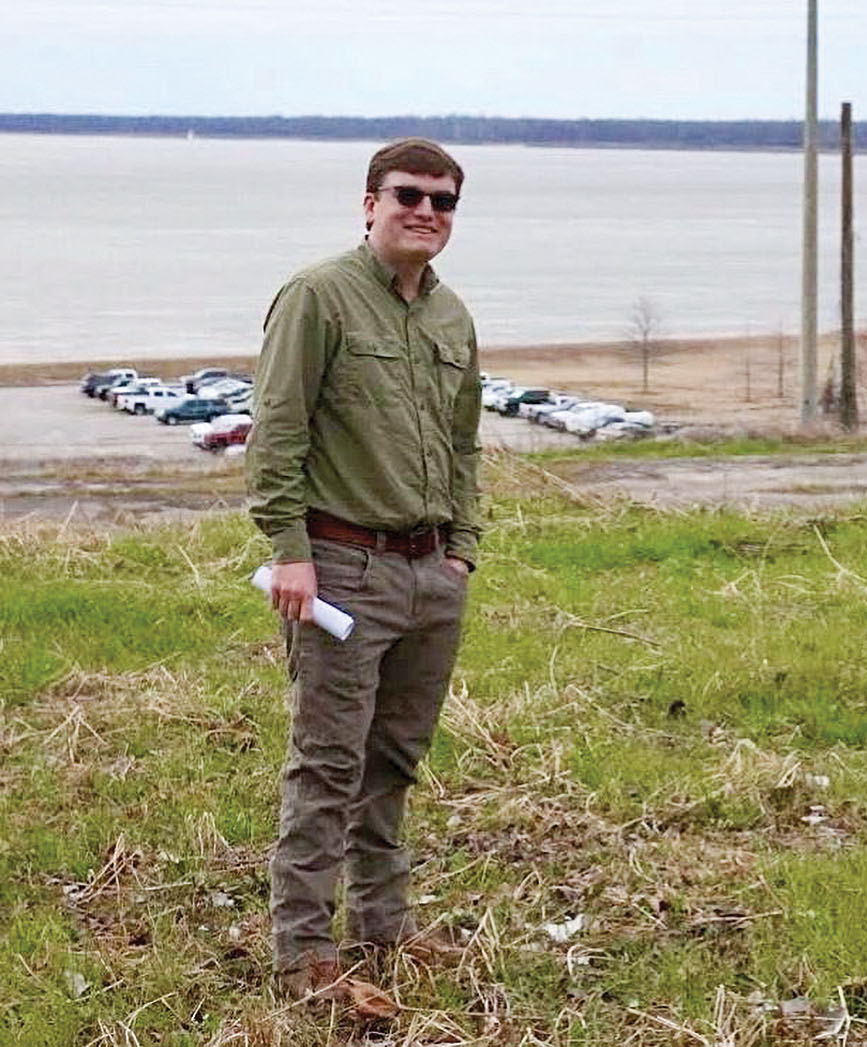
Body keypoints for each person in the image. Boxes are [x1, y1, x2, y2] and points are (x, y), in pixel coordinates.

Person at [246, 137, 482, 1008]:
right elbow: (276, 433)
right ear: (369, 202)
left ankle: (382, 928)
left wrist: (463, 549)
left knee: (394, 761)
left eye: (444, 200)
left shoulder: (452, 315)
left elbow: (463, 443)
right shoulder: (318, 296)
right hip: (341, 567)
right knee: (327, 765)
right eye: (409, 194)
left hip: (430, 574)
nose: (426, 211)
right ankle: (305, 953)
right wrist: (289, 551)